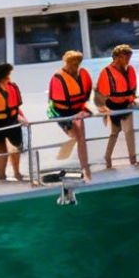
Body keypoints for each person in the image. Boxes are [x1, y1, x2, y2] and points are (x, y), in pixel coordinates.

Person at [48, 50, 97, 181]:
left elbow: (87, 95)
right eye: (73, 63)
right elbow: (54, 103)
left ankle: (85, 167)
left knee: (81, 139)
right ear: (67, 63)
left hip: (78, 111)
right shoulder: (57, 77)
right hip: (62, 112)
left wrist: (85, 110)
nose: (75, 66)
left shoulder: (83, 74)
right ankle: (63, 158)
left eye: (78, 63)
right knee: (75, 136)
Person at [95, 44, 139, 171]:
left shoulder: (130, 70)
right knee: (115, 132)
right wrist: (103, 110)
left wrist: (133, 100)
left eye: (129, 57)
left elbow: (132, 90)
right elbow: (100, 94)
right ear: (117, 58)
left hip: (126, 105)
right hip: (113, 106)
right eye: (125, 57)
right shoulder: (106, 72)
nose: (128, 60)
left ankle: (133, 159)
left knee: (129, 131)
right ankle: (107, 157)